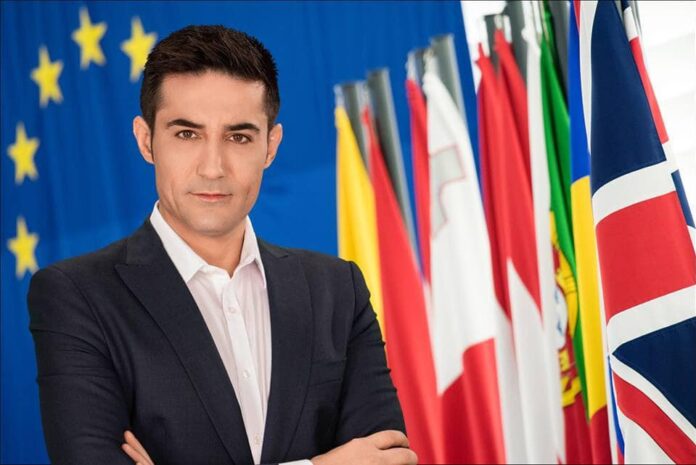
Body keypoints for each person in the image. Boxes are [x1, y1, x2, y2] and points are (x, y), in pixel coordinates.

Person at [27, 25, 417, 465]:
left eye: (239, 137)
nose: (213, 168)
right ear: (145, 140)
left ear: (270, 146)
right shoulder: (76, 296)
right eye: (187, 134)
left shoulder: (338, 290)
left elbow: (389, 459)